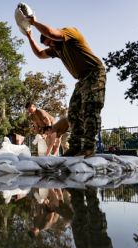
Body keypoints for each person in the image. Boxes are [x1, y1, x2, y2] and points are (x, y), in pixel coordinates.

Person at [25, 15, 106, 158]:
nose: (50, 45)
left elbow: (51, 33)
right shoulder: (56, 49)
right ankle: (75, 146)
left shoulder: (70, 33)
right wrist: (29, 37)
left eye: (50, 42)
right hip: (81, 80)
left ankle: (89, 147)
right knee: (73, 112)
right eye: (47, 44)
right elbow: (39, 54)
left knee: (90, 108)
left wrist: (34, 22)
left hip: (94, 73)